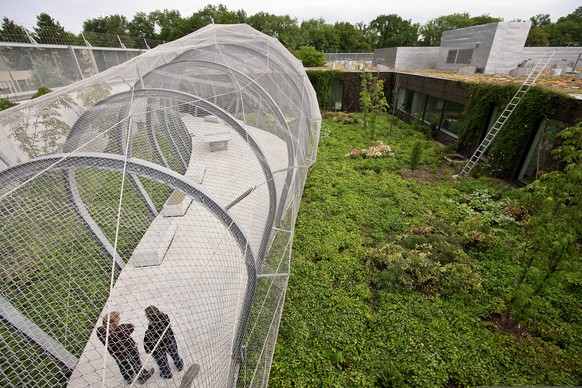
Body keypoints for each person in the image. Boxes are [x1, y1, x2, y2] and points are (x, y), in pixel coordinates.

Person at [96, 311, 154, 385]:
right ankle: (142, 376)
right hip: (129, 349)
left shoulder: (100, 330)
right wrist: (118, 327)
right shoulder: (120, 330)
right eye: (118, 320)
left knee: (122, 364)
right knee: (135, 362)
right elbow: (131, 326)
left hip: (115, 352)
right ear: (114, 322)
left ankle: (128, 377)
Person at [144, 306, 184, 379]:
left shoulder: (151, 329)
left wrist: (149, 349)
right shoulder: (165, 318)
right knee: (175, 354)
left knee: (163, 362)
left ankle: (166, 373)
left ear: (149, 317)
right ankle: (179, 365)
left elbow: (148, 343)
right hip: (170, 341)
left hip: (160, 348)